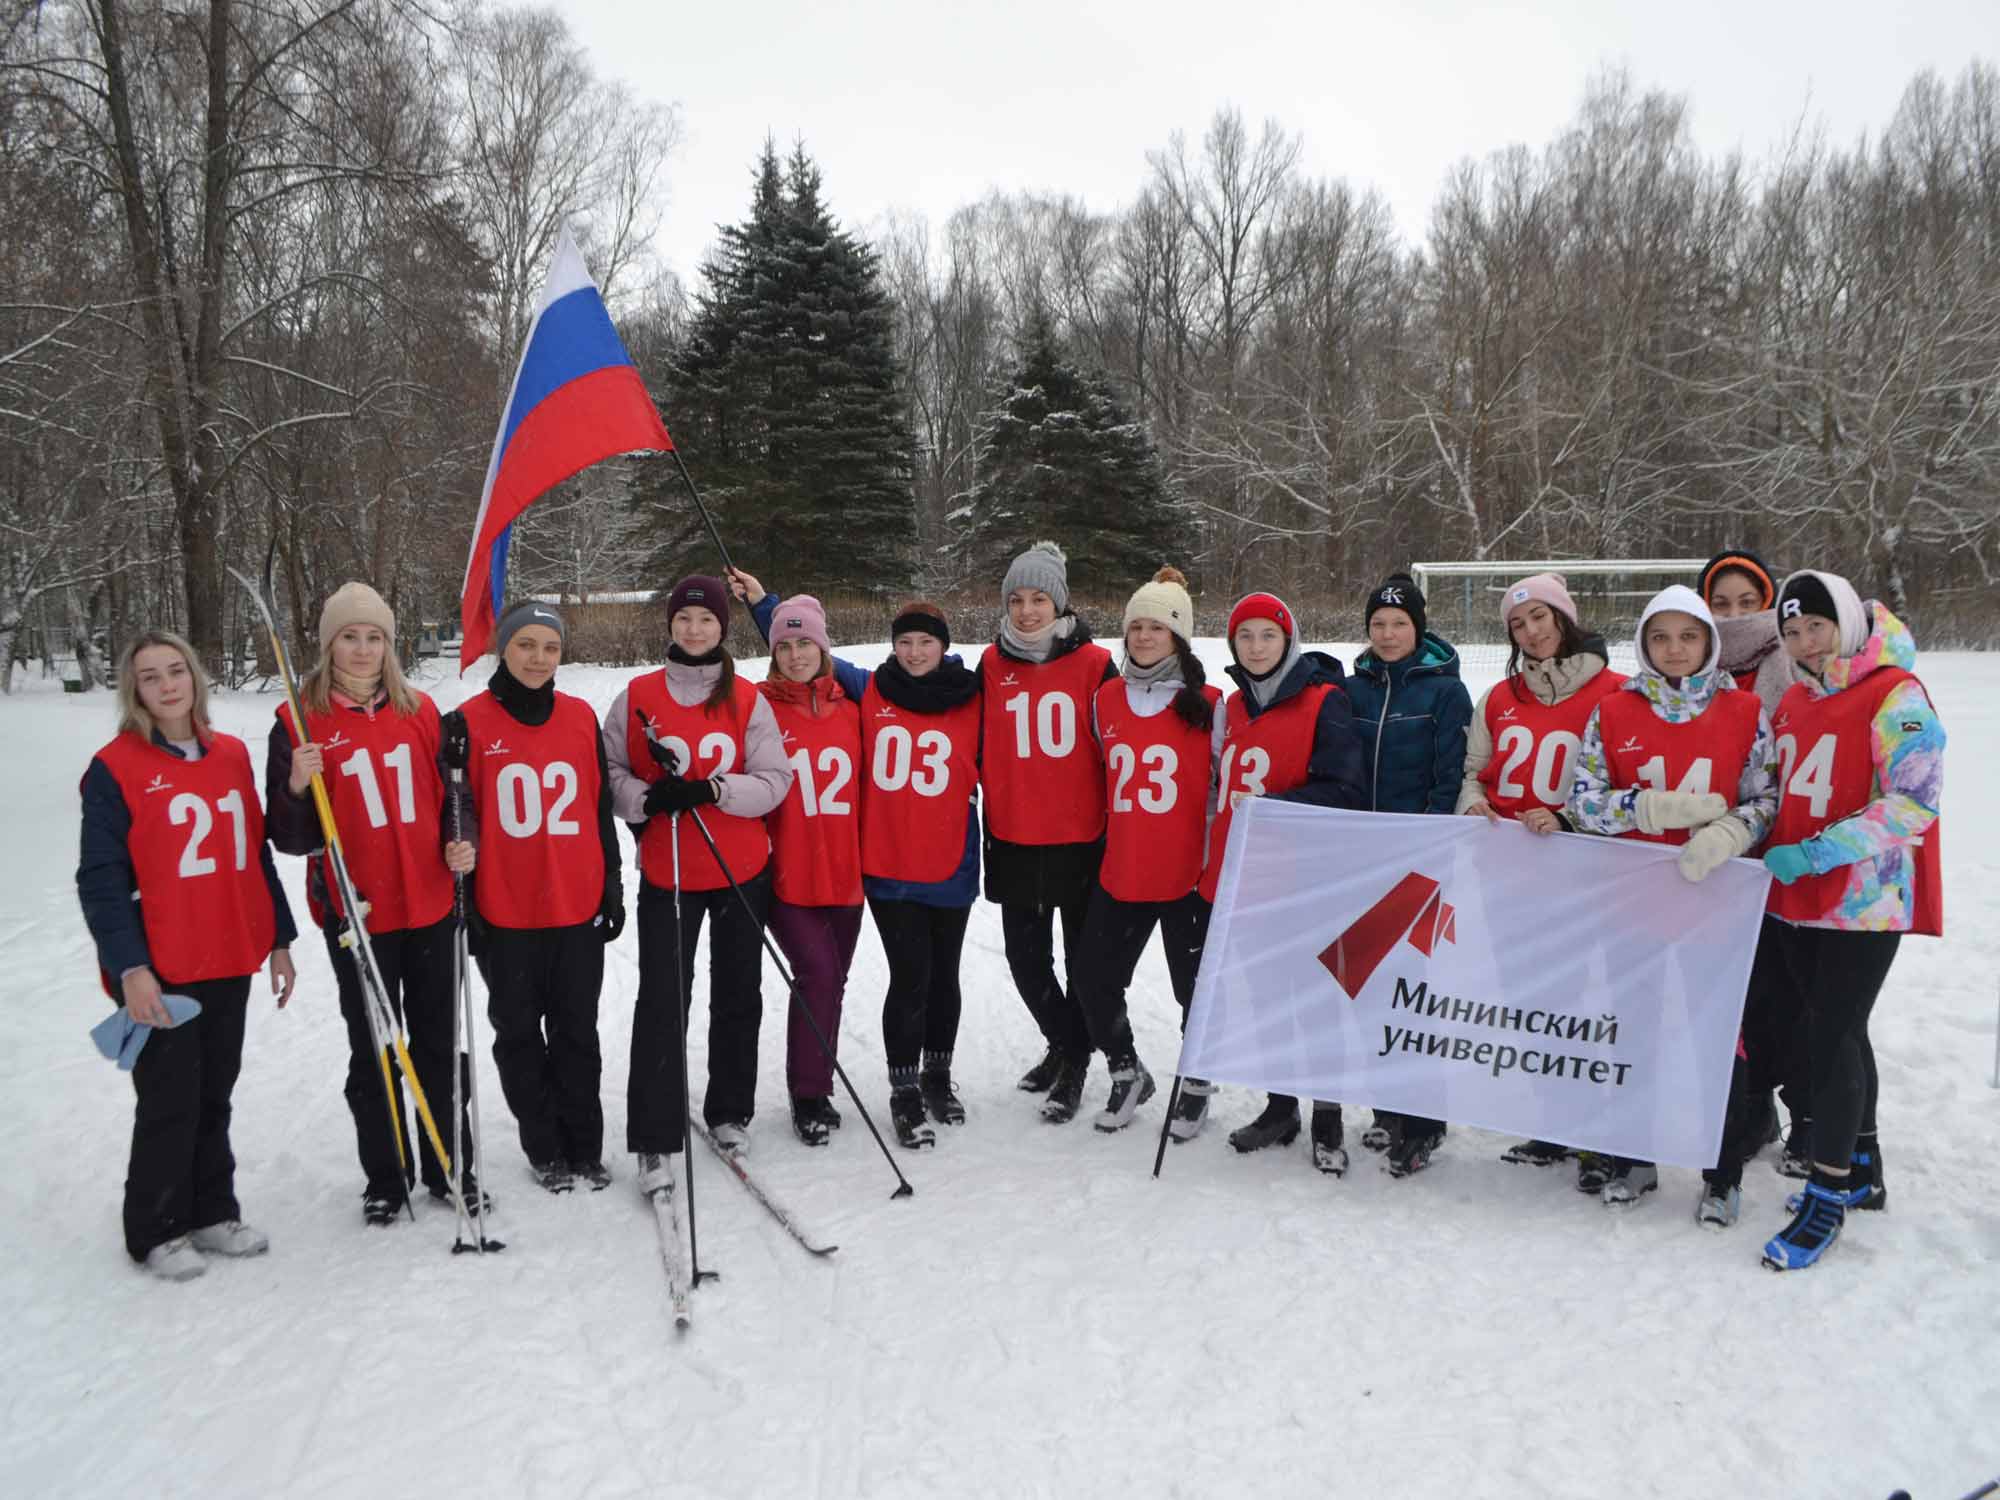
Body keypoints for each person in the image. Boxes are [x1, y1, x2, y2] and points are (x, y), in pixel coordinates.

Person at [728, 570, 984, 1150]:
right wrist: (762, 601)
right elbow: (802, 649)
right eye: (905, 641)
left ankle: (939, 1075)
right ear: (892, 647)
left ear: (945, 646)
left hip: (952, 860)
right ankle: (905, 1090)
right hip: (888, 864)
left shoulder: (975, 698)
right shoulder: (871, 691)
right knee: (910, 977)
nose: (915, 652)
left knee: (945, 977)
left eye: (927, 642)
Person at [77, 630, 298, 1280]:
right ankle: (156, 1227)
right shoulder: (114, 768)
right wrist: (130, 968)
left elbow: (254, 853)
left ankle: (210, 1211)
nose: (167, 684)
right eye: (151, 676)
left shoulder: (228, 754)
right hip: (162, 963)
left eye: (176, 670)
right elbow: (101, 877)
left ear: (195, 677)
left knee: (215, 1094)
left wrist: (278, 939)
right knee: (170, 1098)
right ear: (134, 690)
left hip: (229, 952)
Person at [265, 583, 480, 1226]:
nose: (362, 650)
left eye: (374, 637)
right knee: (376, 1047)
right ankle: (387, 1175)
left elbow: (454, 798)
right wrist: (298, 785)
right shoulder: (298, 721)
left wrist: (458, 839)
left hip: (430, 903)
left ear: (389, 644)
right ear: (330, 644)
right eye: (350, 637)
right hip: (356, 911)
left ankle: (450, 1163)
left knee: (438, 1042)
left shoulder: (420, 711)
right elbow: (291, 836)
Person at [1566, 584, 1778, 1212]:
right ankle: (1636, 1156)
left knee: (1719, 1038)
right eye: (1661, 637)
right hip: (1634, 904)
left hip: (1717, 905)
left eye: (1688, 636)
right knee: (1637, 1033)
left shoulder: (1744, 711)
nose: (1675, 649)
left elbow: (1765, 799)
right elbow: (1582, 800)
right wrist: (1647, 807)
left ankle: (1723, 1172)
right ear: (1644, 644)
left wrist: (1734, 831)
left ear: (1709, 642)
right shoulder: (1614, 710)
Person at [1756, 570, 1942, 1271]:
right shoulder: (1797, 701)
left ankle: (1827, 1194)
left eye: (1817, 626)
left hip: (1865, 900)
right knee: (1840, 1029)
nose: (1804, 642)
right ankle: (1862, 1164)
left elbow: (1915, 799)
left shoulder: (1896, 692)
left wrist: (1822, 850)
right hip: (1800, 898)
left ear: (1848, 625)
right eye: (1793, 631)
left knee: (1828, 1037)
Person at [603, 577, 791, 1191]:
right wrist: (646, 797)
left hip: (740, 870)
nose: (694, 630)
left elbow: (774, 780)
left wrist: (713, 789)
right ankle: (654, 1134)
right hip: (670, 872)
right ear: (670, 627)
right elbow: (611, 772)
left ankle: (730, 1110)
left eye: (706, 620)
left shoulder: (746, 699)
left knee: (738, 993)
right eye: (684, 621)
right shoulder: (638, 695)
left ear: (722, 627)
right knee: (663, 999)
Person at [1460, 574, 1627, 1188]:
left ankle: (1602, 1134)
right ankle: (1555, 1123)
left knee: (1590, 1005)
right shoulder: (1501, 697)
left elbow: (1623, 785)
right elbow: (1474, 770)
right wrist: (1472, 802)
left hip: (1584, 873)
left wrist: (1567, 816)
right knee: (1535, 1003)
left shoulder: (1615, 692)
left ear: (1565, 617)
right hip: (1512, 872)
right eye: (1518, 624)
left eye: (1540, 617)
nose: (1531, 632)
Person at [448, 602, 621, 1195]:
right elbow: (457, 816)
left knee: (578, 1032)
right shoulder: (467, 722)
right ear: (504, 647)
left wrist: (613, 886)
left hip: (576, 904)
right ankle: (544, 1146)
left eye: (549, 647)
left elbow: (599, 810)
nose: (538, 658)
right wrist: (464, 903)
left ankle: (585, 1145)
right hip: (507, 909)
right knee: (519, 1034)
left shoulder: (578, 717)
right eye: (525, 644)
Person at [1207, 591, 1369, 1173]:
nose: (1256, 647)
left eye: (1267, 636)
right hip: (1250, 878)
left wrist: (1274, 807)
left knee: (1318, 1000)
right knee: (1270, 998)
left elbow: (1346, 789)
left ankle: (1327, 1118)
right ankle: (1281, 1108)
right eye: (1244, 637)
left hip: (1309, 878)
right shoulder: (1232, 705)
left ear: (1288, 641)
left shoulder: (1326, 701)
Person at [1072, 567, 1223, 1135]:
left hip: (1188, 870)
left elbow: (1223, 787)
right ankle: (1126, 1069)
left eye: (1155, 627)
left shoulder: (1209, 702)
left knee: (1194, 991)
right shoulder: (1105, 698)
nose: (1142, 637)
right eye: (1134, 626)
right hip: (1125, 868)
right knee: (1092, 979)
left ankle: (1198, 1080)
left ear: (1178, 636)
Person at [980, 542, 1118, 1123]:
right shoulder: (991, 664)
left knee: (1083, 964)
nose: (1028, 610)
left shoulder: (1094, 664)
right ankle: (1066, 1042)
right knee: (1026, 961)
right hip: (1014, 837)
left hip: (1080, 837)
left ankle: (1076, 1061)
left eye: (1039, 599)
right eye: (1018, 599)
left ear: (1060, 603)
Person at [1341, 573, 1472, 1177]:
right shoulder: (1354, 689)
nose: (1388, 634)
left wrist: (1425, 842)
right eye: (1378, 625)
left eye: (1399, 624)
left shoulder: (1445, 693)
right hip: (1363, 862)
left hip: (1420, 864)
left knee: (1416, 994)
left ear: (1418, 629)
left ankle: (1424, 1121)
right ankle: (1388, 1107)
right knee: (1368, 987)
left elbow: (1450, 777)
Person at [1701, 547, 1806, 1169]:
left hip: (1776, 853)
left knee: (1779, 993)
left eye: (1747, 602)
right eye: (1721, 603)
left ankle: (1801, 1111)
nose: (1734, 614)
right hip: (1707, 860)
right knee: (1726, 996)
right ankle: (1746, 1107)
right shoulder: (1688, 660)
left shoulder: (1789, 665)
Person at [752, 595, 863, 1147]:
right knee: (818, 974)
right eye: (785, 645)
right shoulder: (756, 708)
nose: (797, 655)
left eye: (806, 643)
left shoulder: (852, 708)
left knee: (833, 982)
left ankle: (815, 1079)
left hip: (846, 875)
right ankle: (810, 1093)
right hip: (786, 875)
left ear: (824, 648)